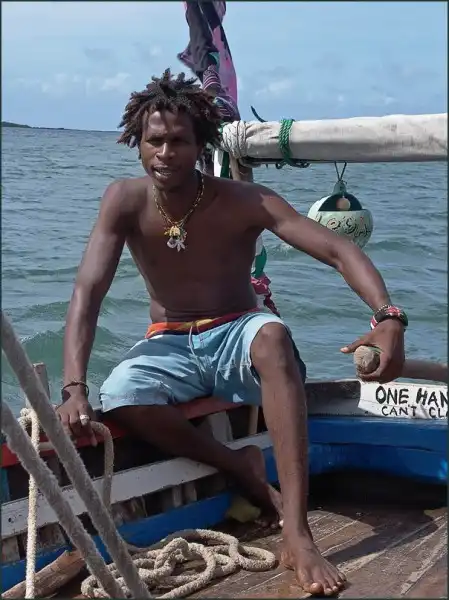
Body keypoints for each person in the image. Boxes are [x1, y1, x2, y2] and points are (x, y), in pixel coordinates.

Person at [57, 70, 407, 596]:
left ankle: (297, 531)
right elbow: (88, 291)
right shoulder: (124, 201)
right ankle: (240, 465)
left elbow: (337, 249)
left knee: (272, 338)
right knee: (120, 395)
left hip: (238, 333)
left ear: (200, 144)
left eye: (179, 141)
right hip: (169, 340)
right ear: (137, 142)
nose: (165, 154)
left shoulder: (245, 200)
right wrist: (73, 387)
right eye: (154, 141)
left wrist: (387, 316)